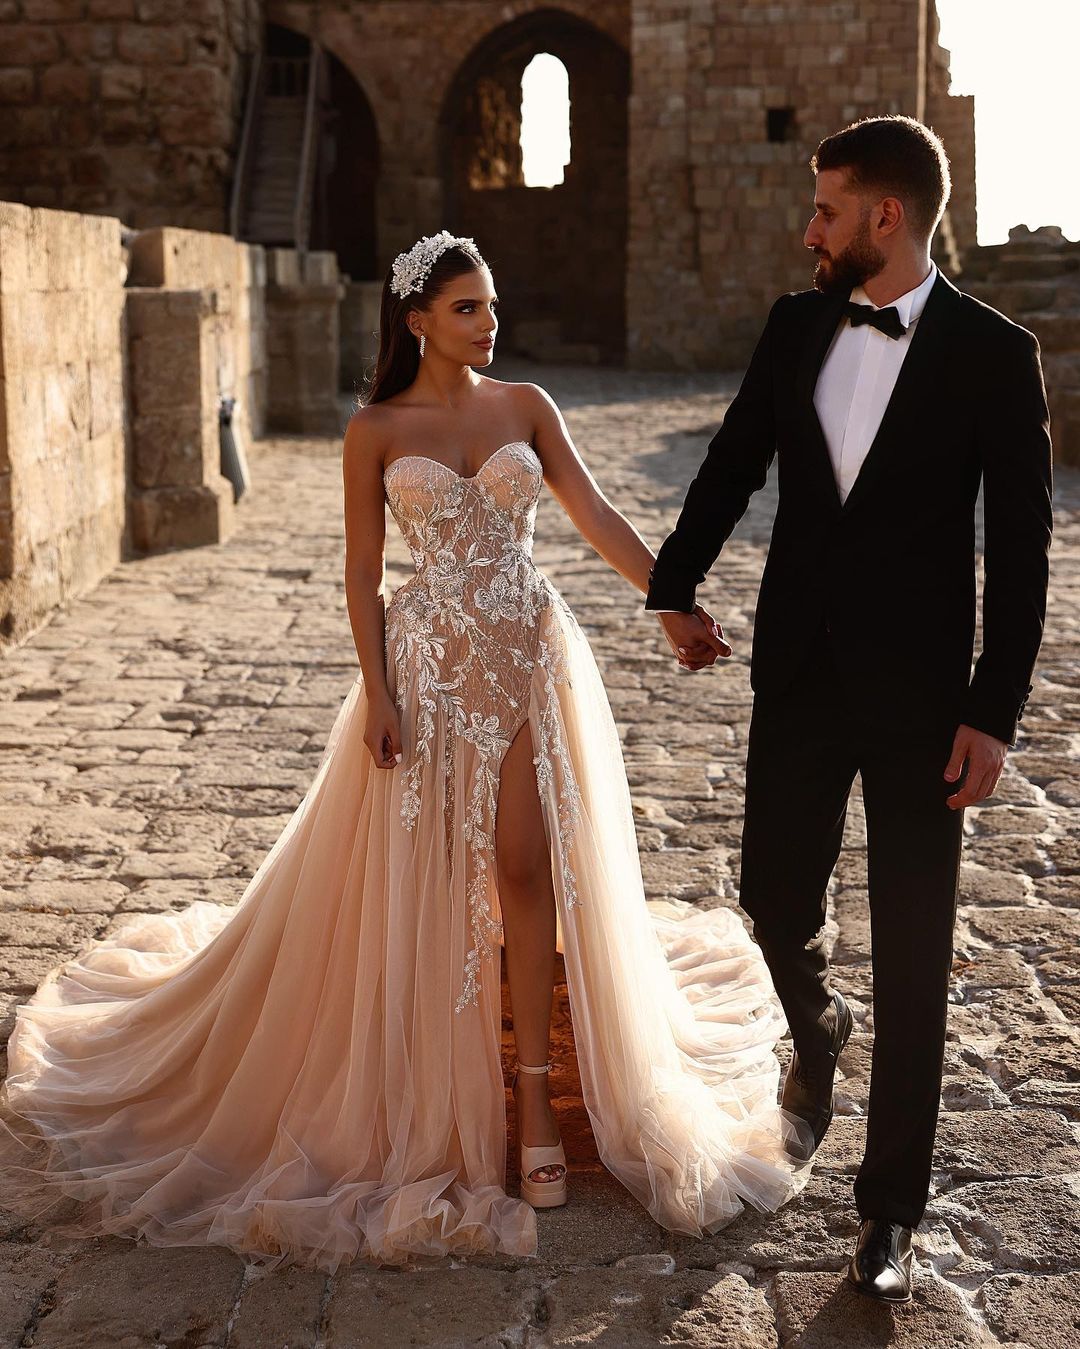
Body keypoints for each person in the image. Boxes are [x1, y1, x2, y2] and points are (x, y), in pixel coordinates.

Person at [0, 230, 813, 1273]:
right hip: (428, 673)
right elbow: (359, 571)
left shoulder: (527, 407)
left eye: (492, 306)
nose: (488, 324)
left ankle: (529, 1103)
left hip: (529, 657)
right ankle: (443, 1083)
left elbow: (595, 511)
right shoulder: (375, 429)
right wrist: (378, 690)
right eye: (467, 308)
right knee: (432, 884)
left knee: (527, 870)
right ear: (418, 319)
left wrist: (671, 604)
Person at [646, 116, 1054, 1303]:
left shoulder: (995, 352)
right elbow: (732, 461)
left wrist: (996, 709)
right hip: (802, 674)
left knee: (916, 945)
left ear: (887, 216)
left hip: (930, 702)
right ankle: (815, 1033)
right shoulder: (793, 323)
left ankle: (891, 1208)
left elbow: (1020, 552)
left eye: (825, 208)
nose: (807, 228)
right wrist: (676, 584)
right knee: (773, 897)